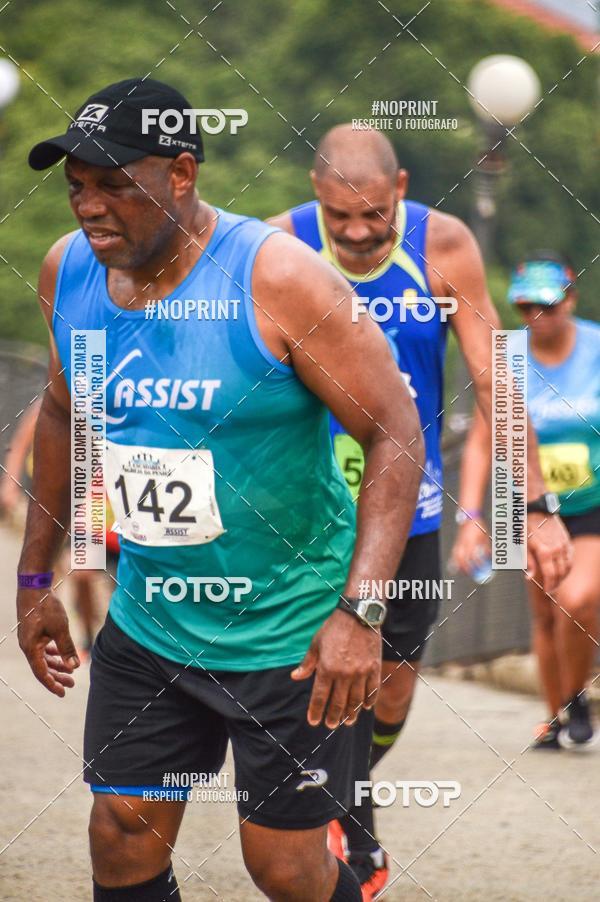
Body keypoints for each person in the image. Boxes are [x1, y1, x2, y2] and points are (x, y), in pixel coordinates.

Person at [16, 78, 425, 902]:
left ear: (181, 173)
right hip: (151, 623)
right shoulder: (70, 271)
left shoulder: (280, 279)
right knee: (120, 836)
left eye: (114, 186)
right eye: (77, 187)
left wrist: (362, 613)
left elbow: (397, 434)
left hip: (290, 637)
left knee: (285, 871)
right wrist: (34, 578)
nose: (90, 207)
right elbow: (62, 412)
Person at [269, 125, 572, 897]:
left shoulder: (447, 246)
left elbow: (494, 375)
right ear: (315, 192)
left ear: (401, 188)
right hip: (307, 514)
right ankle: (347, 823)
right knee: (318, 678)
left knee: (393, 689)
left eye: (375, 214)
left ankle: (342, 795)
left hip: (411, 512)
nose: (360, 233)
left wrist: (533, 505)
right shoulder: (277, 247)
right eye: (341, 217)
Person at [452, 251, 600, 750]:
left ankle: (574, 696)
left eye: (549, 305)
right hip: (524, 504)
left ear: (571, 299)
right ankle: (556, 715)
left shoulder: (597, 347)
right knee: (543, 611)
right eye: (525, 307)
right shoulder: (508, 356)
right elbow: (480, 441)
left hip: (590, 502)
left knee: (576, 600)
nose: (538, 317)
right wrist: (471, 515)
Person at [1, 398, 119, 655]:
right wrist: (9, 484)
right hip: (50, 493)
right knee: (60, 568)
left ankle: (91, 634)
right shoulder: (55, 398)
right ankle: (50, 623)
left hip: (95, 500)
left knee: (85, 573)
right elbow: (21, 443)